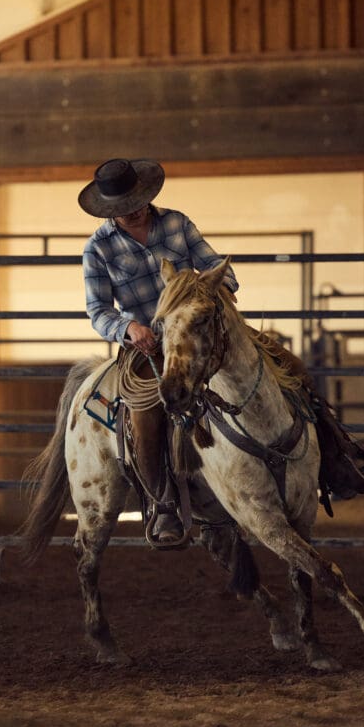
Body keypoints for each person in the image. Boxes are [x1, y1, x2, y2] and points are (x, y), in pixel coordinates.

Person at [78, 157, 237, 545]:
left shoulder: (177, 223)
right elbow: (98, 310)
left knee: (272, 369)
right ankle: (164, 503)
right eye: (120, 207)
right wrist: (128, 328)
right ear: (108, 210)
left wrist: (215, 289)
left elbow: (217, 266)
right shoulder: (98, 249)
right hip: (146, 344)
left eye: (135, 200)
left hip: (196, 332)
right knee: (145, 407)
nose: (131, 211)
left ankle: (336, 459)